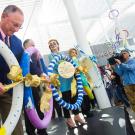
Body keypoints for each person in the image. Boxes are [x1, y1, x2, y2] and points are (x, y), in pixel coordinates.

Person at [48, 39, 85, 128]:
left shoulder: (63, 55)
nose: (53, 45)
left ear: (58, 45)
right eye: (51, 44)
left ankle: (76, 116)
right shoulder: (51, 56)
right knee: (65, 101)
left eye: (54, 43)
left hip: (70, 80)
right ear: (50, 47)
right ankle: (68, 119)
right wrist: (68, 65)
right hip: (62, 81)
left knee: (74, 99)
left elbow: (70, 65)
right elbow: (58, 65)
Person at [0, 5, 24, 135]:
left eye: (19, 26)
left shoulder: (17, 42)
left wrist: (42, 75)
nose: (16, 30)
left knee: (16, 131)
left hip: (8, 91)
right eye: (15, 25)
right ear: (3, 16)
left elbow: (23, 64)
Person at [23, 39, 48, 135]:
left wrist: (38, 59)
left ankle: (40, 130)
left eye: (34, 44)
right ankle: (33, 131)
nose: (34, 46)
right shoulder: (24, 56)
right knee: (29, 108)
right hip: (26, 85)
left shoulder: (35, 57)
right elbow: (34, 68)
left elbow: (40, 68)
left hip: (35, 85)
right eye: (32, 44)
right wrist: (42, 73)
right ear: (25, 47)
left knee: (36, 106)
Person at [68, 48, 94, 117]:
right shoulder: (72, 61)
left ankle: (86, 111)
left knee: (86, 95)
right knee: (83, 96)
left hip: (83, 80)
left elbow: (83, 70)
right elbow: (77, 69)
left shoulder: (77, 61)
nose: (74, 53)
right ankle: (86, 111)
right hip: (79, 81)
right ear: (70, 54)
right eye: (72, 52)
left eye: (75, 52)